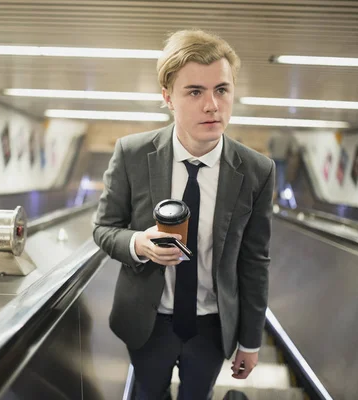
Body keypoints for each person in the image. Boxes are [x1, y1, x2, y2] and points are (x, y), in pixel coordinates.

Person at [93, 29, 274, 400]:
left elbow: (255, 260)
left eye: (222, 90)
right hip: (147, 320)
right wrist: (139, 243)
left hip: (211, 325)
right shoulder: (131, 154)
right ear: (168, 98)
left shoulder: (257, 170)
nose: (212, 105)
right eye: (195, 91)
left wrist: (251, 340)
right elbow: (104, 229)